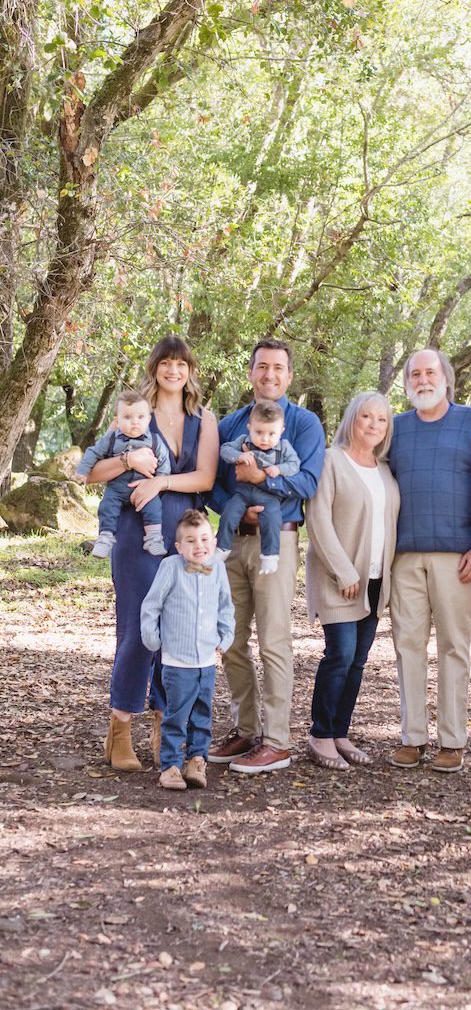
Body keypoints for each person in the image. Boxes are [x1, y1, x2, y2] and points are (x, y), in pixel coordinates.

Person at [85, 335, 219, 772]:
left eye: (181, 364)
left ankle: (164, 725)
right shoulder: (133, 414)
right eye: (166, 363)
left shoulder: (203, 418)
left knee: (176, 632)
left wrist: (160, 482)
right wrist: (127, 463)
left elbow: (204, 478)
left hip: (185, 537)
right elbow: (93, 475)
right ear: (155, 367)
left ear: (190, 370)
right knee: (138, 629)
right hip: (135, 529)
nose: (173, 371)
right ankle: (120, 726)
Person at [207, 338, 325, 774]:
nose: (270, 374)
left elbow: (309, 482)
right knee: (231, 639)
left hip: (279, 541)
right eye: (262, 367)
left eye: (278, 368)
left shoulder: (305, 423)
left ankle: (277, 740)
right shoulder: (231, 424)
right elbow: (213, 485)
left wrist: (265, 483)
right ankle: (246, 729)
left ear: (289, 376)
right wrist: (235, 508)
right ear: (251, 372)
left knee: (274, 639)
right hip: (233, 541)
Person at [387, 348, 471, 773]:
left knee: (454, 647)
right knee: (407, 646)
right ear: (407, 382)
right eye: (414, 374)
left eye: (430, 372)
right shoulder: (394, 429)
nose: (422, 379)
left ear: (446, 378)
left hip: (458, 557)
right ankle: (412, 736)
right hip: (405, 556)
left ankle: (452, 740)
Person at [305, 392, 400, 771]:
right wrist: (343, 570)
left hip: (376, 580)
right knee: (339, 655)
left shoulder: (385, 468)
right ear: (351, 419)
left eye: (381, 420)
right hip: (340, 578)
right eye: (366, 417)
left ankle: (339, 732)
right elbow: (318, 519)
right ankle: (319, 734)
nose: (374, 425)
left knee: (358, 661)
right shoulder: (331, 460)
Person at [140, 510, 235, 790]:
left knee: (202, 714)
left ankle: (197, 760)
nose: (199, 546)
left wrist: (225, 637)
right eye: (191, 541)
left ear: (214, 542)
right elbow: (151, 604)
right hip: (176, 659)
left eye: (205, 539)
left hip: (206, 659)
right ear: (179, 546)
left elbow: (226, 606)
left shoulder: (217, 567)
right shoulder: (170, 567)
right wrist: (152, 639)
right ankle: (170, 765)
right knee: (176, 715)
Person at [77, 389, 171, 558]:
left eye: (141, 417)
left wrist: (157, 483)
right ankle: (105, 539)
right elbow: (93, 452)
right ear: (117, 421)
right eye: (127, 417)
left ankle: (153, 538)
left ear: (149, 419)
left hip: (145, 487)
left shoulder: (155, 441)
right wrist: (82, 471)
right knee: (107, 507)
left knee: (154, 508)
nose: (135, 422)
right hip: (117, 488)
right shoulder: (112, 439)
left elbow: (164, 463)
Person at [216, 400, 301, 575]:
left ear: (281, 431)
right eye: (259, 432)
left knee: (272, 519)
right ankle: (222, 548)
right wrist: (239, 456)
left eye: (271, 433)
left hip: (268, 495)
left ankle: (270, 556)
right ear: (249, 427)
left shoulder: (284, 448)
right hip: (243, 493)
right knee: (230, 512)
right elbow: (225, 450)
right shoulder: (243, 442)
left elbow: (294, 465)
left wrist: (279, 468)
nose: (264, 438)